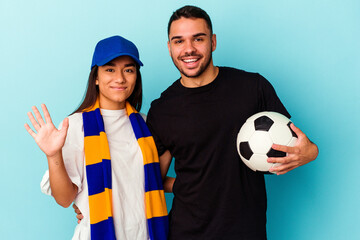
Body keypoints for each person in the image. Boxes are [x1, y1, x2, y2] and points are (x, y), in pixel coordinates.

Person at [145, 5, 319, 240]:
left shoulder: (253, 87)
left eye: (198, 38)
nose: (189, 49)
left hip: (247, 230)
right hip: (187, 232)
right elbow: (152, 178)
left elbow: (298, 145)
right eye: (179, 41)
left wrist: (311, 153)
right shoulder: (162, 109)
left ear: (213, 42)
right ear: (169, 48)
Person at [25, 35, 168, 240]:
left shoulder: (145, 125)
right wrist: (53, 154)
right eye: (110, 69)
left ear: (136, 77)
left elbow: (153, 180)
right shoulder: (76, 125)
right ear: (96, 77)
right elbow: (65, 199)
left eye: (129, 70)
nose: (120, 78)